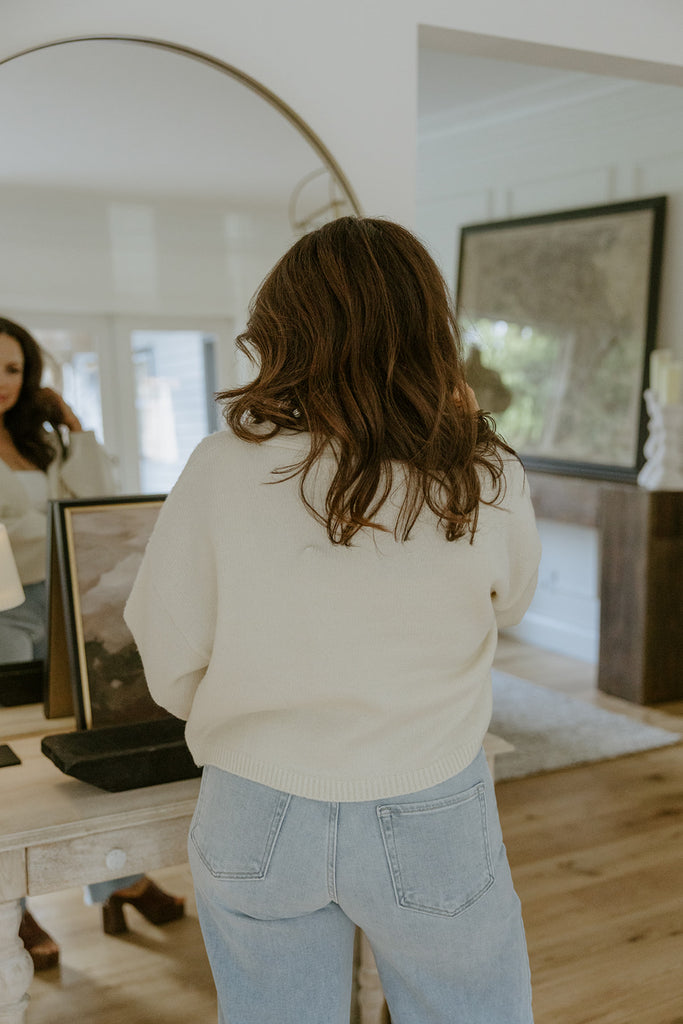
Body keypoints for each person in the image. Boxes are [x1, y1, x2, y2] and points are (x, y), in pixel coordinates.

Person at [124, 217, 542, 1024]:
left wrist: (257, 707)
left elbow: (169, 652)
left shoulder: (222, 466)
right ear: (429, 330)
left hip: (254, 803)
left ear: (286, 329)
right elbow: (512, 602)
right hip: (428, 796)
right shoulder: (481, 472)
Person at [0, 316, 184, 970]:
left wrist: (73, 427)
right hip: (4, 612)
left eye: (14, 369)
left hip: (64, 605)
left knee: (91, 740)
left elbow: (96, 498)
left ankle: (119, 880)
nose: (2, 381)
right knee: (13, 773)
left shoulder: (42, 442)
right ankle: (12, 909)